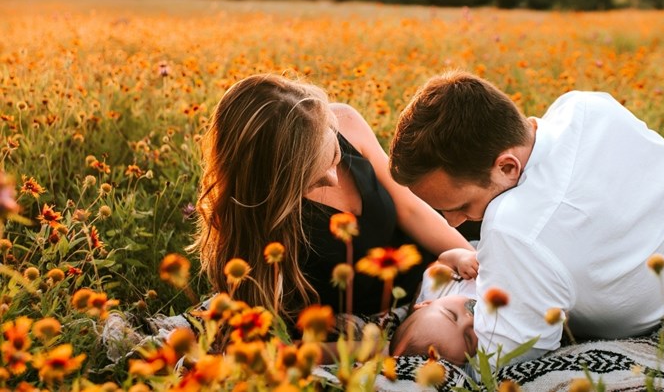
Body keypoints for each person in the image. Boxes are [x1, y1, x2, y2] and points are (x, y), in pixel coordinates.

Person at [387, 71, 664, 364]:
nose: (452, 224)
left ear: (508, 166)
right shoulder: (584, 104)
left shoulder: (515, 229)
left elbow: (508, 357)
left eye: (460, 206)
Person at [190, 73, 475, 338]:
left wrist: (477, 263)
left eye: (335, 156)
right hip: (399, 315)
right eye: (311, 179)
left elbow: (409, 207)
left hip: (439, 267)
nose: (333, 179)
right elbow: (274, 332)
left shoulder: (346, 122)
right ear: (273, 183)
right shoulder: (259, 227)